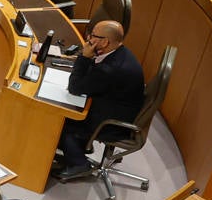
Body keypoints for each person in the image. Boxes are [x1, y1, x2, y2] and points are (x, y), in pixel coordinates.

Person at [55, 20, 145, 174]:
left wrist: (84, 57)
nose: (88, 39)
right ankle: (78, 146)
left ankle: (79, 164)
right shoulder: (118, 52)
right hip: (118, 107)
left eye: (93, 36)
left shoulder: (110, 69)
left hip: (111, 123)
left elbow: (75, 87)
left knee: (60, 120)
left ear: (105, 42)